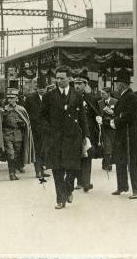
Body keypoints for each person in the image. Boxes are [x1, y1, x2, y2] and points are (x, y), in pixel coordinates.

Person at [39, 66, 89, 209]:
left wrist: (86, 136)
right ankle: (61, 199)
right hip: (55, 139)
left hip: (73, 138)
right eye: (57, 78)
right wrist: (48, 130)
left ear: (69, 79)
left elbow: (82, 118)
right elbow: (41, 117)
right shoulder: (49, 96)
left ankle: (68, 189)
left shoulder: (77, 95)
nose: (58, 81)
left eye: (61, 78)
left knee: (72, 168)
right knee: (57, 169)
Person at [112, 69, 137, 200]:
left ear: (122, 84)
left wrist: (115, 120)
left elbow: (128, 114)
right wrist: (117, 117)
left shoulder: (131, 96)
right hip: (124, 132)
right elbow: (122, 113)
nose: (116, 85)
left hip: (131, 133)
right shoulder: (125, 96)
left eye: (118, 83)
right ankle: (122, 186)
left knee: (133, 161)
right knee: (120, 159)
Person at [0, 88, 35, 180]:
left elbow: (26, 122)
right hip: (7, 134)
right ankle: (11, 173)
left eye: (13, 98)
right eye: (9, 98)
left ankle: (15, 169)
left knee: (16, 154)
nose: (10, 100)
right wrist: (2, 114)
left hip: (18, 135)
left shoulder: (21, 109)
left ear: (17, 98)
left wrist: (22, 123)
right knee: (10, 153)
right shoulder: (3, 110)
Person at [73, 72, 100, 192]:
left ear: (85, 84)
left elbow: (96, 115)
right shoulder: (71, 97)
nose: (77, 86)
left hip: (88, 132)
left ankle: (86, 183)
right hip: (75, 132)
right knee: (77, 157)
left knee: (87, 156)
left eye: (80, 84)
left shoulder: (91, 98)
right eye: (75, 83)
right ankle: (79, 181)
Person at [24, 79, 51, 179]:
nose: (42, 90)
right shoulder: (30, 98)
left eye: (43, 88)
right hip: (35, 128)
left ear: (46, 88)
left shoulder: (50, 97)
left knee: (45, 149)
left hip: (46, 128)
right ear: (37, 88)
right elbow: (26, 112)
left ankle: (42, 169)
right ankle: (38, 171)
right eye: (40, 88)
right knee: (37, 149)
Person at [97, 87, 117, 171]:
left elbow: (118, 113)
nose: (101, 95)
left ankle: (105, 162)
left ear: (108, 93)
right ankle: (108, 164)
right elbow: (96, 113)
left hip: (113, 127)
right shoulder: (99, 103)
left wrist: (113, 113)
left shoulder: (115, 102)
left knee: (111, 144)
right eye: (101, 93)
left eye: (103, 93)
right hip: (103, 127)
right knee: (107, 144)